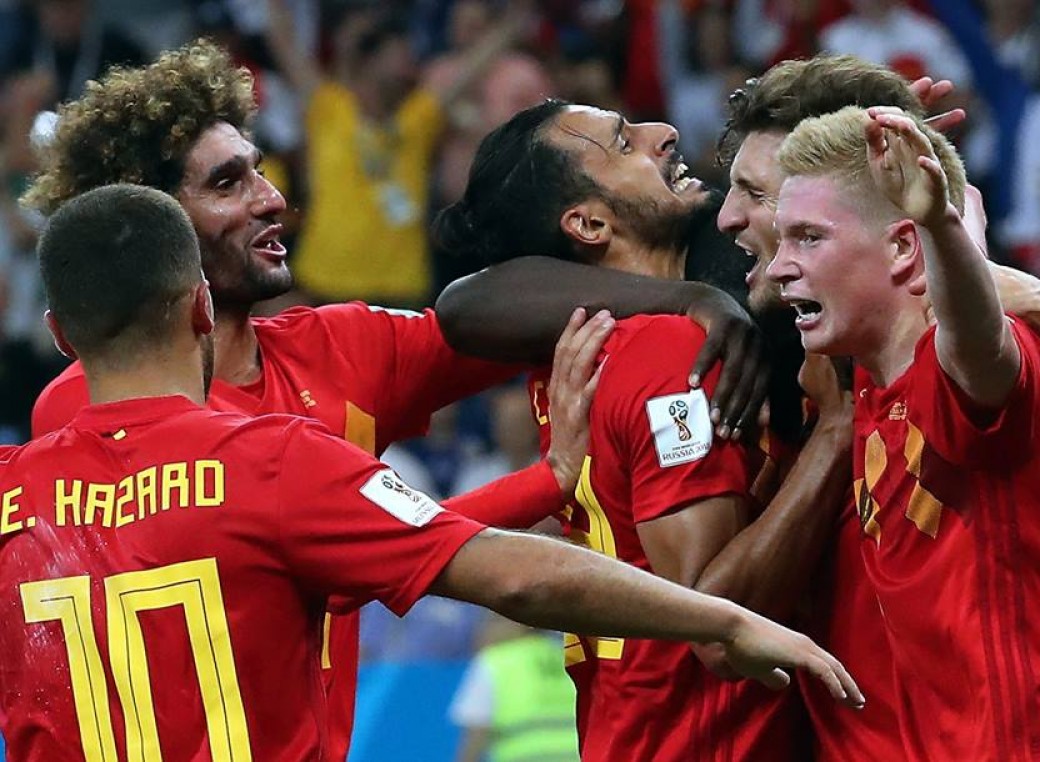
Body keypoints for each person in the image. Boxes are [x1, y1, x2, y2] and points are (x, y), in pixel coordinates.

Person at [22, 39, 769, 761]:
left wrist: (693, 299)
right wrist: (544, 483)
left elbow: (477, 306)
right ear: (153, 226)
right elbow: (345, 560)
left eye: (259, 171)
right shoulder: (90, 410)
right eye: (227, 184)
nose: (272, 199)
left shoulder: (345, 349)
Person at [434, 97, 860, 760]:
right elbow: (720, 637)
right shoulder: (671, 354)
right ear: (589, 223)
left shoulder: (568, 358)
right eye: (623, 143)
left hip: (626, 733)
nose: (664, 132)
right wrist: (835, 434)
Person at [767, 105, 1040, 758]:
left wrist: (942, 226)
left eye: (808, 238)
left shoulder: (965, 371)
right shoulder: (870, 381)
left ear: (902, 248)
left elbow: (977, 342)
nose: (780, 265)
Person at [449, 614, 579, 762]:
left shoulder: (493, 662)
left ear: (521, 624)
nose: (484, 630)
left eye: (495, 621)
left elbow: (476, 734)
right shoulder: (571, 657)